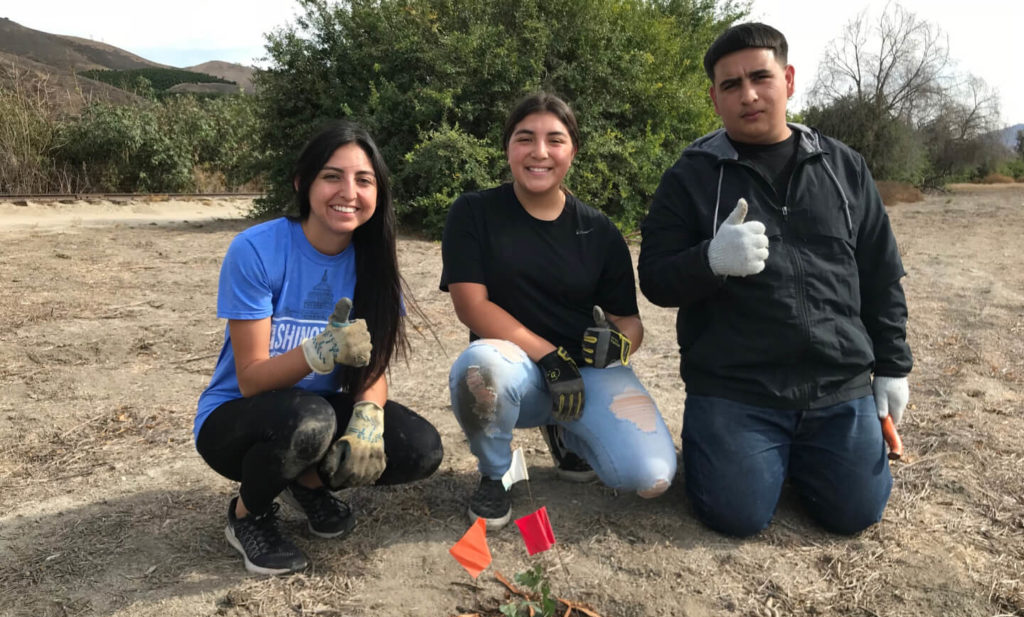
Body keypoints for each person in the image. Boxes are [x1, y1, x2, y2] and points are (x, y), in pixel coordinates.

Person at [637, 22, 912, 537]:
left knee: (856, 514)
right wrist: (709, 260)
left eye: (760, 78)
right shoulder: (691, 176)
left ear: (787, 79)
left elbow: (881, 275)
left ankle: (806, 456)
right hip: (736, 387)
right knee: (735, 516)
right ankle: (751, 455)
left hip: (837, 384)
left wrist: (893, 365)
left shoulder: (844, 168)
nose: (748, 95)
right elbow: (654, 277)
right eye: (730, 85)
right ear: (714, 99)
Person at [194, 121, 443, 575]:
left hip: (316, 413)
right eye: (332, 176)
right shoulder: (256, 250)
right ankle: (247, 514)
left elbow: (372, 368)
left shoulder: (375, 265)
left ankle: (305, 483)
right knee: (311, 419)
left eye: (363, 180)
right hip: (237, 419)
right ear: (302, 183)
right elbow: (249, 379)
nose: (348, 191)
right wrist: (317, 351)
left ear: (378, 193)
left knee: (419, 448)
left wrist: (368, 419)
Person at [440, 92, 677, 529]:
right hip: (518, 373)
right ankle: (495, 475)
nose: (540, 152)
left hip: (587, 375)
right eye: (525, 138)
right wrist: (548, 357)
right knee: (479, 368)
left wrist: (619, 346)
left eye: (556, 139)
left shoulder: (600, 230)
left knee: (651, 475)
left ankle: (569, 434)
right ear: (508, 146)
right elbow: (471, 306)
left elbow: (630, 321)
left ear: (574, 150)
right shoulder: (474, 212)